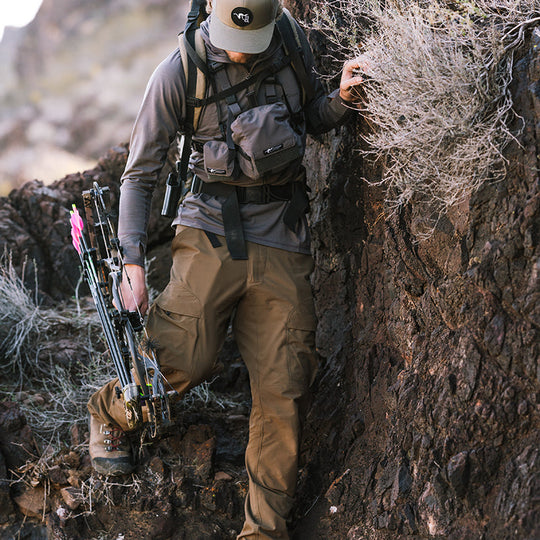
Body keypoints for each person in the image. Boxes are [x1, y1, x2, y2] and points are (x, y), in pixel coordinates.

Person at [87, 0, 366, 537]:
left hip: (282, 234)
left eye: (252, 39)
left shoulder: (290, 42)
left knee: (284, 389)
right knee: (180, 363)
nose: (239, 49)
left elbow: (309, 121)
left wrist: (340, 99)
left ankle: (262, 532)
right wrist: (132, 262)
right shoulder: (178, 72)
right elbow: (138, 174)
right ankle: (108, 410)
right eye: (230, 36)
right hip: (208, 232)